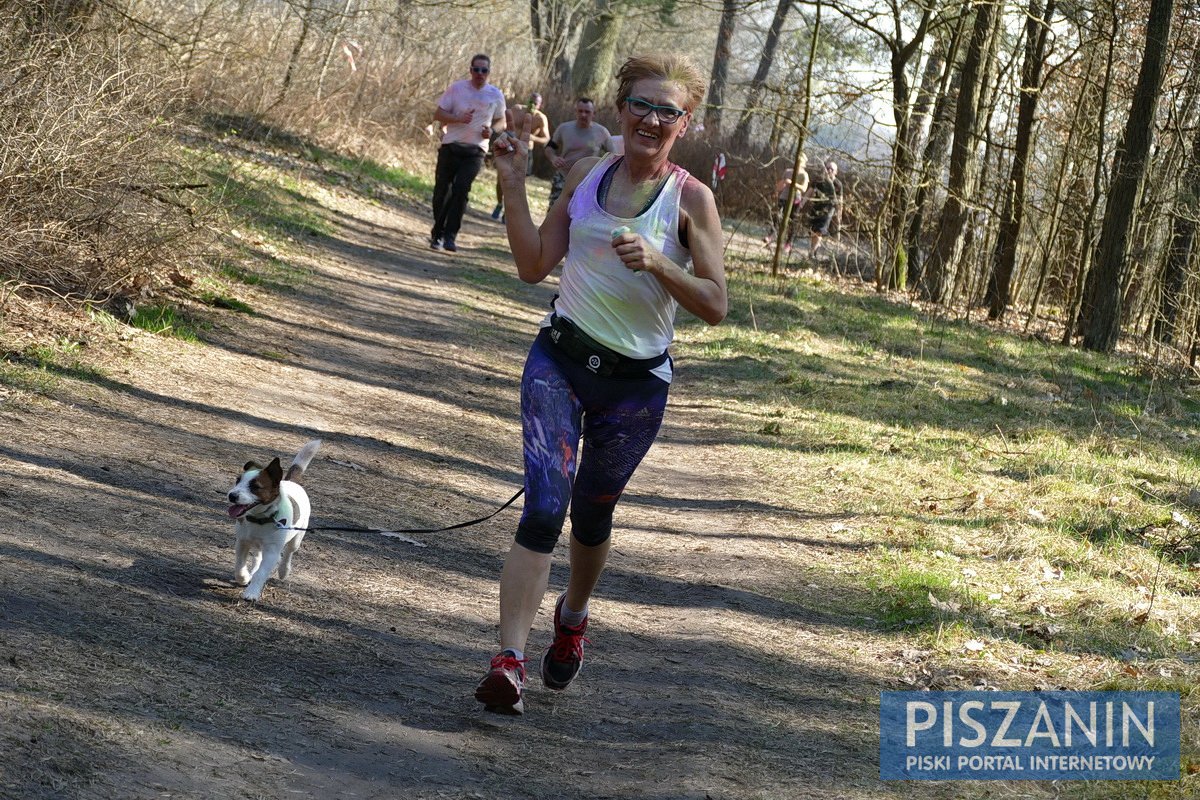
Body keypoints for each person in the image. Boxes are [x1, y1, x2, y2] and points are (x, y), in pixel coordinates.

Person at [477, 54, 728, 715]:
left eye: (667, 110)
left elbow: (716, 303)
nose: (651, 119)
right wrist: (511, 184)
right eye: (641, 105)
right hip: (559, 362)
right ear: (621, 110)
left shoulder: (690, 199)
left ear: (686, 122)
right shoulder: (587, 173)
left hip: (634, 387)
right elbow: (534, 264)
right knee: (542, 509)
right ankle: (509, 659)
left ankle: (574, 616)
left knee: (591, 514)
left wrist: (659, 265)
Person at [429, 54, 506, 253]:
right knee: (442, 193)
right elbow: (438, 114)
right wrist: (457, 118)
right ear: (470, 70)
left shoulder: (495, 94)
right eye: (476, 69)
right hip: (451, 146)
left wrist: (493, 131)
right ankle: (437, 232)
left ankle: (450, 236)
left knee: (461, 190)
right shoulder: (457, 88)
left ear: (489, 72)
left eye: (484, 70)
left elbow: (501, 121)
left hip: (476, 150)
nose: (480, 74)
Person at [492, 93, 551, 222]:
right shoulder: (517, 109)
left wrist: (533, 137)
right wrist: (498, 131)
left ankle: (508, 211)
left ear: (540, 105)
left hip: (525, 151)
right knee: (501, 179)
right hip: (510, 147)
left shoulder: (541, 119)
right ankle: (499, 204)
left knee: (517, 182)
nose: (532, 105)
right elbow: (504, 123)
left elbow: (546, 138)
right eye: (531, 101)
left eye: (535, 103)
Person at [545, 98, 611, 209]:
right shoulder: (564, 128)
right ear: (575, 112)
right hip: (563, 177)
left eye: (587, 112)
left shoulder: (602, 132)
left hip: (588, 181)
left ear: (593, 114)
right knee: (554, 211)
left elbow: (613, 155)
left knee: (579, 218)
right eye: (580, 111)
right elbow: (549, 148)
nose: (583, 115)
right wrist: (553, 158)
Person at [765, 154, 808, 252]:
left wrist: (793, 183)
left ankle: (788, 243)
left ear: (803, 164)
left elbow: (804, 188)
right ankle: (770, 236)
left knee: (792, 222)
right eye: (797, 161)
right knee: (777, 217)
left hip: (795, 200)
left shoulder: (804, 175)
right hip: (783, 197)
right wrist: (776, 191)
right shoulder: (788, 171)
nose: (798, 164)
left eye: (800, 162)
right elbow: (782, 183)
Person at [800, 159, 842, 255]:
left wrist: (839, 215)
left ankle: (812, 252)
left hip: (828, 210)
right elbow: (809, 192)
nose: (829, 170)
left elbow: (840, 201)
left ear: (836, 172)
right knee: (813, 230)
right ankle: (814, 249)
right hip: (816, 208)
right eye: (828, 168)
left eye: (832, 169)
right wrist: (802, 203)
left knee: (820, 230)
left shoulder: (838, 184)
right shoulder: (819, 180)